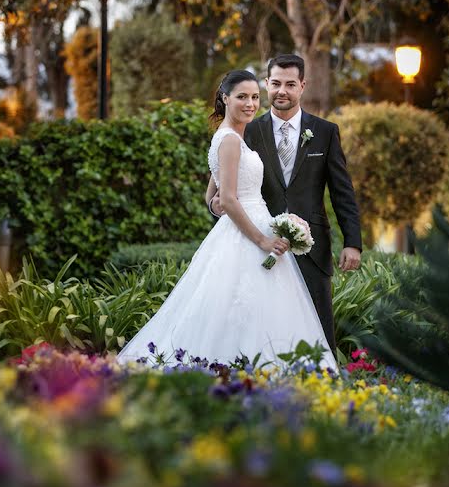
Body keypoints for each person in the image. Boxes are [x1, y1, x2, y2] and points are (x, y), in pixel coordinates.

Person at [117, 70, 336, 369]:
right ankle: (255, 368)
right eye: (242, 97)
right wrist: (261, 239)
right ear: (225, 98)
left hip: (250, 221)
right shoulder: (231, 141)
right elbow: (229, 198)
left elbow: (214, 195)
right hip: (250, 232)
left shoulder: (230, 137)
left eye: (255, 97)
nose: (250, 104)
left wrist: (220, 206)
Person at [210, 54, 362, 357]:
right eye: (276, 83)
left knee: (318, 329)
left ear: (302, 86)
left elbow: (342, 192)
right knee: (264, 326)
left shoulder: (326, 132)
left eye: (290, 84)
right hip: (261, 246)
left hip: (311, 247)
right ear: (267, 84)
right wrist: (217, 207)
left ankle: (325, 393)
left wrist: (353, 242)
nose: (282, 90)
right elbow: (223, 186)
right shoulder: (247, 129)